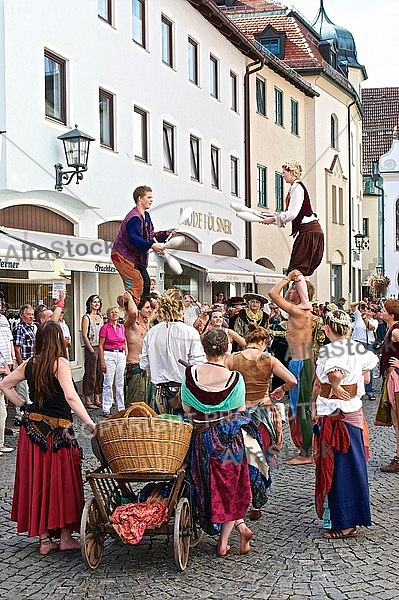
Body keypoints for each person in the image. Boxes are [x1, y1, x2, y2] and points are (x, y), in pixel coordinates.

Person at [0, 321, 96, 555]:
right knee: (64, 482)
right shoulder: (60, 363)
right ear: (58, 340)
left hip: (32, 431)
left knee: (38, 482)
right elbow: (72, 397)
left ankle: (45, 541)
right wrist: (90, 422)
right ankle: (64, 537)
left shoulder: (30, 363)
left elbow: (5, 384)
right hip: (58, 433)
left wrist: (24, 406)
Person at [181, 329, 270, 556]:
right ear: (227, 349)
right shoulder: (235, 379)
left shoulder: (191, 374)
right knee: (231, 486)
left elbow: (187, 409)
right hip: (231, 438)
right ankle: (226, 540)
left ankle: (228, 535)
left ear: (203, 349)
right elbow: (240, 412)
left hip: (202, 438)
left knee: (206, 483)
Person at [312, 310, 378, 539]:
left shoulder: (330, 350)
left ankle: (345, 523)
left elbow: (334, 373)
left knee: (338, 468)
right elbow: (368, 375)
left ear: (328, 329)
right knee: (353, 466)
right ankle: (349, 517)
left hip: (337, 414)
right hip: (352, 414)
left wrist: (337, 384)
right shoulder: (358, 348)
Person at [225, 324, 297, 519]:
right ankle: (256, 503)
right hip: (263, 413)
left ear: (247, 341)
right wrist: (282, 390)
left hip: (239, 413)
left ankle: (239, 498)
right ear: (264, 342)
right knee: (261, 457)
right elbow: (292, 381)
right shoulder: (269, 359)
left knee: (240, 457)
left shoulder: (232, 359)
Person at [268, 269, 315, 465]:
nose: (291, 291)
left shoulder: (299, 311)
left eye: (295, 289)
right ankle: (305, 448)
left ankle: (306, 453)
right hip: (301, 362)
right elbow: (283, 297)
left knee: (301, 408)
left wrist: (288, 278)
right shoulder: (299, 311)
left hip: (301, 363)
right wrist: (294, 287)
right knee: (298, 407)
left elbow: (272, 294)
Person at [140, 288, 206, 414]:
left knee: (161, 431)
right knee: (183, 432)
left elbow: (144, 364)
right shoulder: (190, 332)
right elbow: (198, 365)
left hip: (159, 392)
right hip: (184, 393)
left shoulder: (152, 332)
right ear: (182, 307)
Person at [111, 185, 175, 305]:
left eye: (152, 197)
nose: (151, 200)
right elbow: (134, 238)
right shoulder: (134, 217)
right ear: (140, 198)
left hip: (136, 258)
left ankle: (140, 311)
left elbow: (151, 235)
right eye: (149, 197)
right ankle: (129, 307)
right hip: (122, 255)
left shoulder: (146, 216)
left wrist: (166, 233)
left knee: (146, 282)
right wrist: (151, 246)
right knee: (137, 283)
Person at [260, 161, 324, 277]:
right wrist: (270, 216)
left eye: (284, 173)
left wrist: (273, 220)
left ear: (292, 172)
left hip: (309, 232)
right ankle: (300, 294)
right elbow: (288, 213)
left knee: (296, 269)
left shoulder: (297, 188)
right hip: (309, 232)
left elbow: (292, 214)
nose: (283, 175)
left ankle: (302, 295)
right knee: (296, 269)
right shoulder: (295, 188)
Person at [375, 300, 399, 472]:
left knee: (398, 420)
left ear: (391, 315)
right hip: (391, 377)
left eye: (383, 310)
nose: (380, 311)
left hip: (396, 378)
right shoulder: (392, 329)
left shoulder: (396, 330)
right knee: (396, 420)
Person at [120, 292, 154, 407]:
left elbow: (158, 307)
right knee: (134, 404)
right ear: (140, 310)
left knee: (146, 404)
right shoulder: (130, 324)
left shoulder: (147, 322)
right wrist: (130, 297)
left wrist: (148, 297)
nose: (150, 310)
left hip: (146, 368)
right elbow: (133, 313)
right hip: (134, 367)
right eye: (147, 308)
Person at [98, 306, 127, 416]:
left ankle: (121, 407)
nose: (114, 314)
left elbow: (124, 342)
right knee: (108, 382)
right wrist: (102, 361)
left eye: (116, 312)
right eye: (111, 312)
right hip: (109, 354)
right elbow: (100, 346)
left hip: (120, 354)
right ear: (108, 315)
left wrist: (125, 355)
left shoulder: (121, 327)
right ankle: (106, 407)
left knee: (120, 383)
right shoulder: (105, 328)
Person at [13, 304, 37, 424]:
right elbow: (17, 348)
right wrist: (21, 364)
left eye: (32, 314)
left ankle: (29, 415)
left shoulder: (32, 327)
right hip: (23, 363)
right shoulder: (19, 328)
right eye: (29, 314)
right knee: (22, 390)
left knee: (29, 390)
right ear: (22, 315)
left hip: (32, 363)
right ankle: (20, 417)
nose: (31, 317)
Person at [350, 301, 378, 401]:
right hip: (355, 342)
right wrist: (360, 302)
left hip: (367, 344)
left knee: (367, 367)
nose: (369, 310)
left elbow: (370, 327)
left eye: (372, 310)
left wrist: (365, 318)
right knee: (353, 366)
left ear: (375, 313)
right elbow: (352, 305)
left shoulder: (374, 321)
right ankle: (354, 390)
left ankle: (369, 391)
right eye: (368, 308)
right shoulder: (358, 316)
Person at [0, 294, 17, 454]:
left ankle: (0, 444)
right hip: (2, 370)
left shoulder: (4, 320)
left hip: (5, 369)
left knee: (3, 411)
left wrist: (11, 359)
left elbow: (9, 341)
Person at [81, 295, 104, 409]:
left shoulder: (101, 317)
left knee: (100, 373)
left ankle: (97, 397)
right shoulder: (86, 317)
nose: (96, 304)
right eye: (94, 302)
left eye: (98, 302)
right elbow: (84, 335)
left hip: (101, 347)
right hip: (91, 347)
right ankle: (88, 398)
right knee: (91, 373)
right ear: (90, 303)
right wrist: (90, 349)